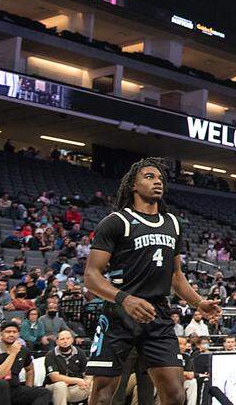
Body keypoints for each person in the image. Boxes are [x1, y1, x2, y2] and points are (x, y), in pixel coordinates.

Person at [83, 158, 221, 405]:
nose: (157, 181)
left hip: (157, 315)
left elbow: (176, 277)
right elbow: (92, 276)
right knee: (103, 395)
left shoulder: (173, 224)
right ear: (133, 185)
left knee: (176, 395)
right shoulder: (117, 222)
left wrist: (198, 303)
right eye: (149, 176)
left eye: (160, 178)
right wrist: (125, 299)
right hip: (119, 313)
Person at [0, 321, 52, 405]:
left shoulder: (23, 350)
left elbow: (29, 369)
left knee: (44, 392)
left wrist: (28, 386)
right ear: (0, 334)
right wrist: (13, 353)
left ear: (18, 335)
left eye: (14, 332)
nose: (11, 334)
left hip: (14, 389)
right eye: (8, 332)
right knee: (2, 383)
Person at [44, 330, 90, 405]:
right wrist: (77, 380)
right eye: (62, 339)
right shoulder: (50, 355)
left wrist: (87, 381)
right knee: (61, 385)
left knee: (94, 384)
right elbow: (55, 377)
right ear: (57, 342)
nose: (65, 341)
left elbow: (86, 373)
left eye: (68, 338)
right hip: (54, 389)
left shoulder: (80, 352)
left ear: (72, 340)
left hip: (75, 389)